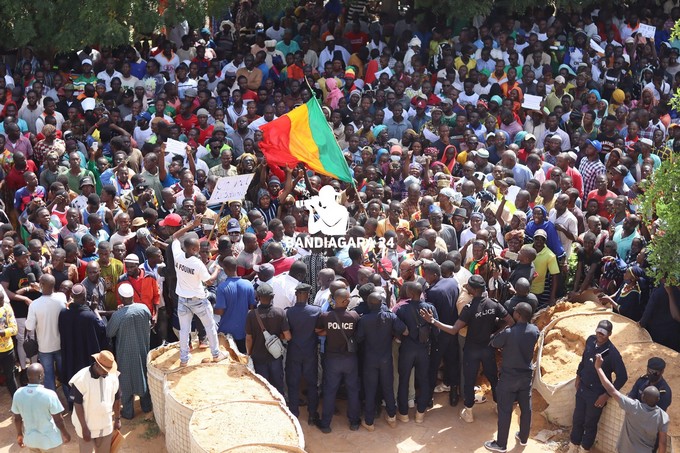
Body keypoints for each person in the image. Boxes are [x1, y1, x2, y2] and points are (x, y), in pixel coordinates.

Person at [421, 275, 514, 423]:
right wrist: (495, 335)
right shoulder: (493, 304)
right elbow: (510, 321)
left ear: (474, 290)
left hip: (471, 350)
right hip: (488, 348)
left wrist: (432, 321)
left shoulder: (469, 308)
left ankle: (469, 413)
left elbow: (453, 330)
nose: (466, 287)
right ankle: (498, 407)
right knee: (493, 379)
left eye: (469, 286)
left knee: (469, 381)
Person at [170, 215, 226, 366]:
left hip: (182, 300)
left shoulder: (178, 255)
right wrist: (217, 270)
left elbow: (175, 236)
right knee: (210, 326)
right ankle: (216, 354)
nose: (200, 249)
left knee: (184, 330)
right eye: (198, 248)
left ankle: (183, 359)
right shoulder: (198, 264)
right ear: (194, 249)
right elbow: (208, 281)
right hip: (198, 300)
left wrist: (190, 226)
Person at [483, 302, 539, 452]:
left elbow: (494, 343)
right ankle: (523, 437)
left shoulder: (509, 332)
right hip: (526, 376)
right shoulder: (534, 330)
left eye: (515, 312)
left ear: (518, 315)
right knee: (526, 409)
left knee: (505, 410)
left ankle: (501, 444)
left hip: (509, 377)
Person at [568, 320, 628, 453]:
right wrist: (578, 376)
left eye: (604, 333)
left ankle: (584, 449)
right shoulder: (590, 340)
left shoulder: (612, 354)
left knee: (590, 423)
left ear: (609, 334)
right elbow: (583, 360)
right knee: (577, 419)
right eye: (598, 331)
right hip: (582, 389)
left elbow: (622, 377)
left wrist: (606, 395)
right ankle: (573, 446)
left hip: (596, 395)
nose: (600, 334)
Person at [593, 353, 669, 453]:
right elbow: (663, 442)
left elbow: (612, 390)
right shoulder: (663, 417)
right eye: (649, 371)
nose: (651, 374)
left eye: (655, 372)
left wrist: (598, 368)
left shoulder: (633, 407)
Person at [356, 291, 407, 431]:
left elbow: (359, 338)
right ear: (381, 303)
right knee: (388, 388)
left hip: (370, 359)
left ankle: (369, 422)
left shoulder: (364, 320)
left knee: (370, 390)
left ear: (368, 304)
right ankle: (392, 417)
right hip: (385, 358)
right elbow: (404, 330)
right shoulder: (390, 316)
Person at [315, 287, 361, 433]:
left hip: (332, 359)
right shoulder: (354, 316)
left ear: (335, 301)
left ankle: (326, 424)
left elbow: (317, 331)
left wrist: (329, 331)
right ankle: (354, 422)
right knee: (353, 390)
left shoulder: (326, 316)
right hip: (350, 359)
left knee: (329, 391)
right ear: (346, 301)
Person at [58, 283, 110, 407]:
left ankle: (73, 406)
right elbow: (103, 329)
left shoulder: (64, 313)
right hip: (86, 356)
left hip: (71, 355)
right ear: (85, 296)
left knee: (73, 382)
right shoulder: (90, 316)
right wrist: (95, 309)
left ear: (71, 296)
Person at [106, 283, 153, 419]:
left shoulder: (118, 315)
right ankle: (146, 406)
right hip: (143, 349)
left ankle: (128, 412)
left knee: (125, 382)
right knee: (143, 377)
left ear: (120, 297)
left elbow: (109, 333)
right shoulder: (143, 308)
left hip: (125, 353)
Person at [395, 281, 437, 424]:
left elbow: (398, 331)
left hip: (407, 349)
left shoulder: (402, 310)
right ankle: (420, 414)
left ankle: (404, 414)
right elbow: (436, 329)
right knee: (424, 380)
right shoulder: (430, 308)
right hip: (424, 349)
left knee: (404, 381)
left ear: (410, 294)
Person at [423, 261, 461, 406]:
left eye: (426, 275)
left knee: (433, 365)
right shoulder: (451, 282)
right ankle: (453, 394)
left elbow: (430, 315)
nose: (424, 277)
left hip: (439, 333)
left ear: (434, 275)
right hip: (453, 329)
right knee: (452, 362)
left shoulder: (433, 292)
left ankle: (428, 398)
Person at [11, 363, 71, 452]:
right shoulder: (49, 394)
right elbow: (58, 420)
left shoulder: (18, 393)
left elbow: (17, 419)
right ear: (41, 376)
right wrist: (65, 433)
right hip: (50, 441)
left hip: (31, 440)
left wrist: (20, 434)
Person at [69, 350, 121, 453]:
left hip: (106, 426)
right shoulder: (81, 379)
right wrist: (84, 428)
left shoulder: (112, 376)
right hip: (87, 428)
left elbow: (117, 399)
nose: (107, 373)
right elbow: (77, 404)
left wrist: (117, 419)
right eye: (105, 370)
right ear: (97, 365)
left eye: (108, 370)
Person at [245, 282, 290, 395]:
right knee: (278, 386)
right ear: (273, 297)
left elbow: (249, 338)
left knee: (263, 387)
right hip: (275, 356)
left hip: (258, 356)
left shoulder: (251, 315)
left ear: (258, 298)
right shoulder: (280, 313)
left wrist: (249, 353)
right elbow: (288, 336)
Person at [285, 283, 321, 424]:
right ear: (308, 295)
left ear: (296, 295)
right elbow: (319, 330)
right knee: (312, 384)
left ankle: (294, 414)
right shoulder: (316, 311)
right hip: (310, 353)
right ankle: (312, 414)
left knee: (293, 383)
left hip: (294, 352)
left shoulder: (288, 312)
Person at [26, 274, 68, 393]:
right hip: (60, 344)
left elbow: (29, 326)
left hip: (44, 347)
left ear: (41, 285)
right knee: (63, 374)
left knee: (48, 376)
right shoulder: (61, 297)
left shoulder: (34, 304)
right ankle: (70, 402)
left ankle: (52, 403)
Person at [215, 256, 256, 354]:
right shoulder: (248, 284)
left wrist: (210, 308)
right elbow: (252, 307)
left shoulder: (221, 287)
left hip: (226, 332)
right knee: (243, 360)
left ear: (224, 268)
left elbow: (220, 311)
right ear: (236, 266)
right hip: (243, 331)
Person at [0, 286, 18, 396]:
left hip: (8, 349)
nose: (3, 302)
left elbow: (14, 329)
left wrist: (2, 332)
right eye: (0, 300)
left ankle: (17, 403)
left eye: (2, 299)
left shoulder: (6, 308)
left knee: (10, 377)